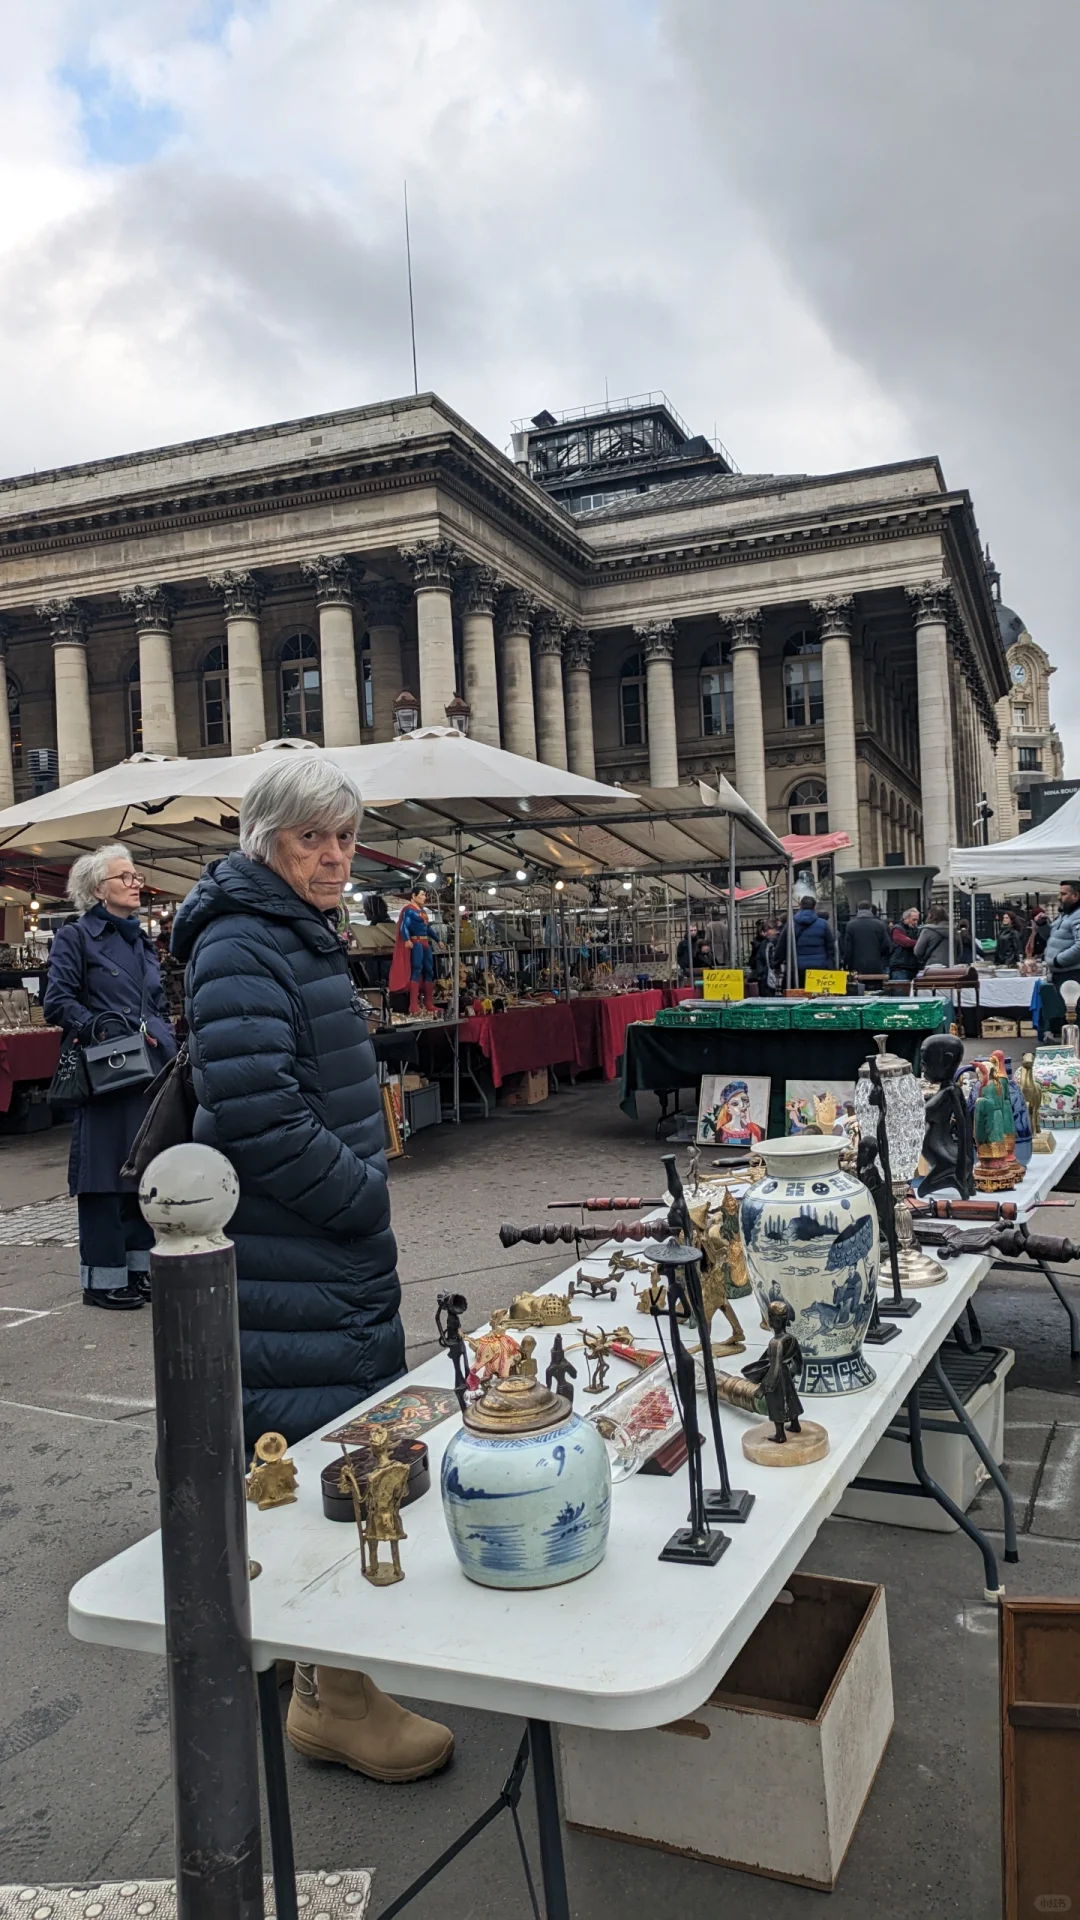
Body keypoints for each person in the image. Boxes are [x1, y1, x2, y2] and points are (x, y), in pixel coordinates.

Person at [171, 755, 453, 1785]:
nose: (335, 856)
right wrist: (360, 1195)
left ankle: (330, 1673)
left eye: (343, 838)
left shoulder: (286, 927)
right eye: (311, 839)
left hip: (317, 1246)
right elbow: (256, 1115)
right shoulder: (243, 940)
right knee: (322, 1452)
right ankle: (333, 1699)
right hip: (300, 1246)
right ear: (266, 843)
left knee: (336, 1438)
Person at [43, 847, 176, 1311]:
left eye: (136, 876)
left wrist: (163, 1032)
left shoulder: (142, 941)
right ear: (99, 889)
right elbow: (57, 1002)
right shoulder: (75, 937)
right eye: (125, 877)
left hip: (151, 1066)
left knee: (141, 1168)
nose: (136, 884)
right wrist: (100, 1027)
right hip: (107, 1068)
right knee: (102, 1173)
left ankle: (138, 1270)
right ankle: (101, 1279)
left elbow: (156, 1002)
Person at [389, 885, 436, 1016]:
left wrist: (438, 940)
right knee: (416, 969)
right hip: (416, 942)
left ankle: (428, 1003)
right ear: (414, 896)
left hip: (425, 942)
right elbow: (404, 926)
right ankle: (413, 1005)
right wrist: (407, 940)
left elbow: (427, 929)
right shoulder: (409, 911)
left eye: (425, 895)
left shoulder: (423, 911)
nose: (424, 897)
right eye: (422, 895)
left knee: (429, 970)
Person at [772, 896, 835, 984]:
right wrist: (831, 965)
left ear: (800, 906)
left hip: (797, 969)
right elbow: (831, 947)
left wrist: (776, 964)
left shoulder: (790, 925)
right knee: (816, 992)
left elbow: (781, 946)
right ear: (814, 907)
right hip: (820, 969)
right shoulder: (823, 924)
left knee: (798, 992)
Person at [841, 901, 891, 977]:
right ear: (870, 909)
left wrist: (846, 964)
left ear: (858, 910)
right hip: (876, 964)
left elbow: (848, 949)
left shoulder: (850, 925)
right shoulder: (880, 924)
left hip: (856, 965)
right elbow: (886, 945)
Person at [1045, 882, 1080, 988]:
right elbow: (1052, 937)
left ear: (1075, 896)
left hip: (1072, 975)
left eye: (1063, 894)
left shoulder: (1077, 916)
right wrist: (1042, 925)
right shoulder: (1066, 915)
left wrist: (1058, 961)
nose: (1059, 897)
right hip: (1062, 974)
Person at [888, 906, 922, 981]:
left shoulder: (916, 930)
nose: (916, 922)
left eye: (917, 920)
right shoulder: (897, 929)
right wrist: (920, 942)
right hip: (900, 967)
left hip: (913, 967)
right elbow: (906, 942)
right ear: (906, 918)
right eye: (914, 920)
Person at [914, 905, 951, 969]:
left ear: (930, 916)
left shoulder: (927, 930)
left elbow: (918, 952)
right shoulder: (953, 931)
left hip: (932, 966)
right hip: (951, 966)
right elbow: (959, 951)